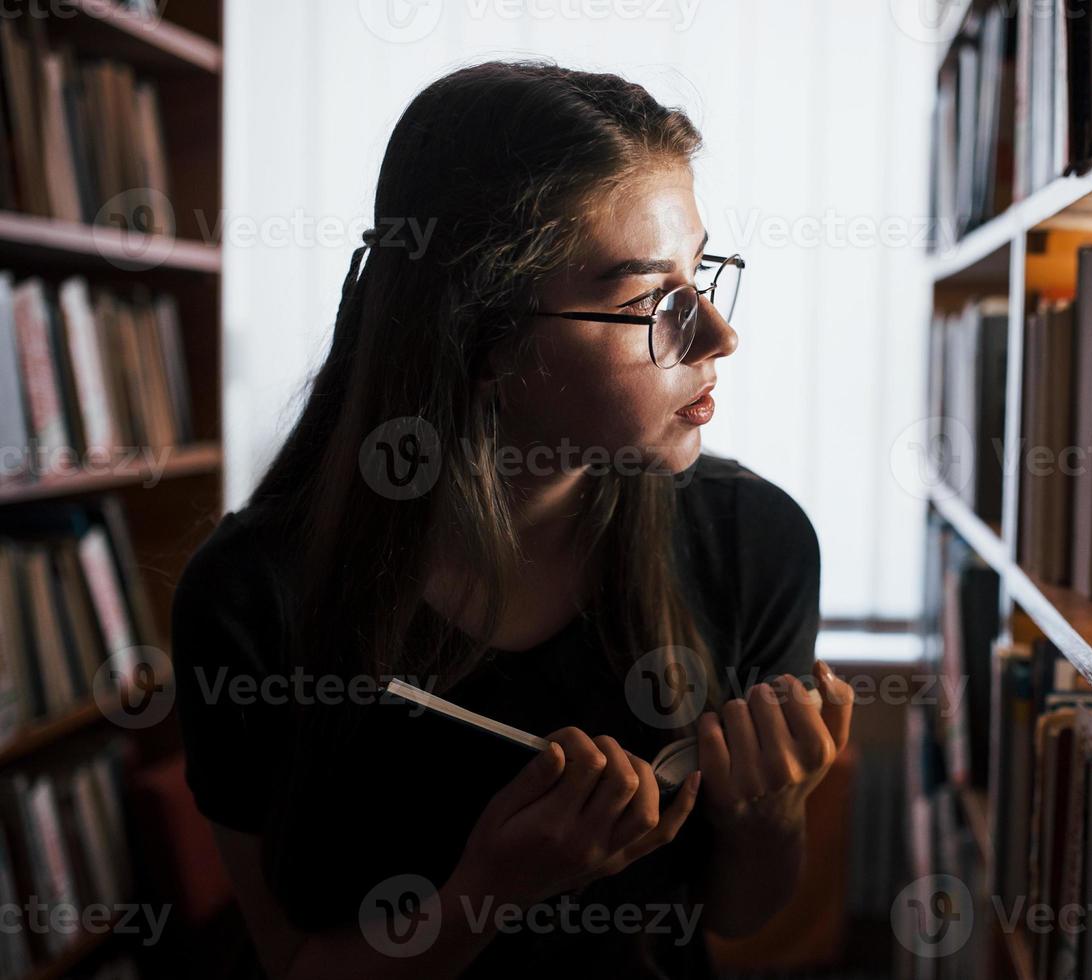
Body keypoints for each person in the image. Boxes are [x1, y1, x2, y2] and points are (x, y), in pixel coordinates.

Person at [171, 61, 853, 978]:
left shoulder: (755, 543)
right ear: (478, 337)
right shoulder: (250, 596)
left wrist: (768, 816)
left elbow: (738, 913)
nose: (718, 335)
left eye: (704, 273)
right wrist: (488, 895)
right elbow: (293, 962)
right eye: (652, 299)